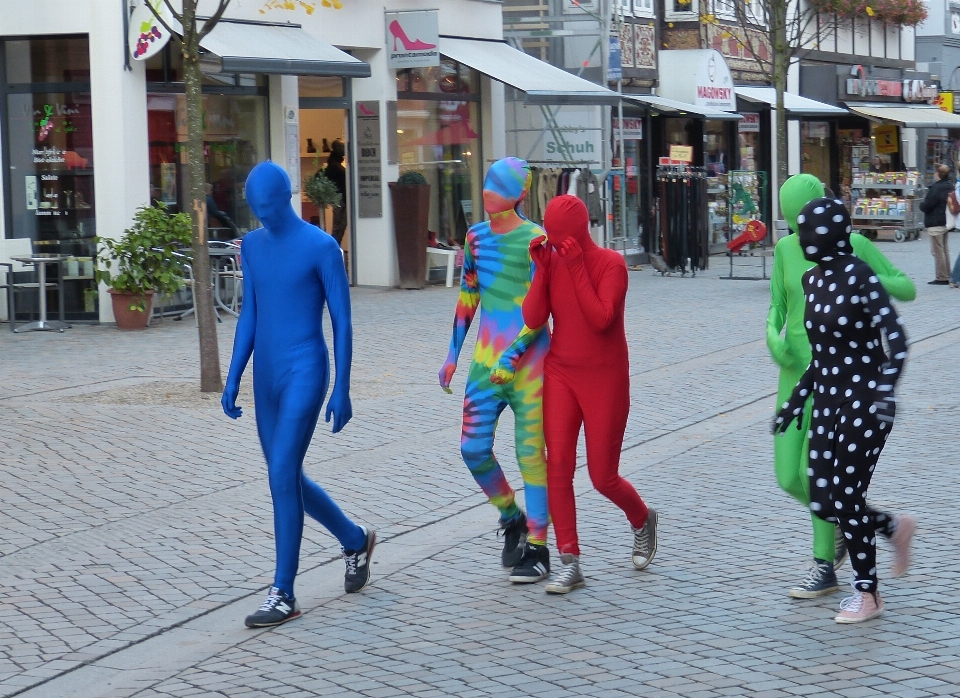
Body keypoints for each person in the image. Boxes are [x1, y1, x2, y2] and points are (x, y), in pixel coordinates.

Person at [221, 162, 375, 628]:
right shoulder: (251, 245)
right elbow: (250, 314)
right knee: (284, 476)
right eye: (255, 209)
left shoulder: (322, 247)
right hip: (266, 375)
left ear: (286, 198)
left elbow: (342, 322)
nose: (262, 216)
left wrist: (343, 386)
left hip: (306, 368)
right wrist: (233, 376)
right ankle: (354, 538)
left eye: (268, 207)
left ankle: (283, 591)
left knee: (282, 475)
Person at [495, 195, 656, 595]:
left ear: (577, 231)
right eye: (548, 234)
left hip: (605, 379)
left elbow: (601, 319)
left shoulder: (611, 264)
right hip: (561, 372)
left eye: (557, 235)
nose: (552, 240)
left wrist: (575, 265)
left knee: (603, 476)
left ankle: (641, 518)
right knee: (558, 467)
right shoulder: (552, 260)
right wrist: (541, 271)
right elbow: (533, 318)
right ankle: (571, 560)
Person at [768, 174, 915, 599]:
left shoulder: (857, 258)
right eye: (794, 225)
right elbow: (777, 306)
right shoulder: (792, 256)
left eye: (805, 225)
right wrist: (774, 340)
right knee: (802, 483)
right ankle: (884, 527)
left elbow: (904, 294)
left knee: (842, 492)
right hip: (809, 376)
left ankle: (843, 576)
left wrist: (862, 278)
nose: (799, 235)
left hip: (858, 390)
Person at [438, 157, 552, 583]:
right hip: (486, 363)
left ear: (520, 194)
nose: (488, 190)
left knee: (530, 455)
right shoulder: (475, 237)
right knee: (472, 448)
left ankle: (539, 548)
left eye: (499, 185)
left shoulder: (536, 239)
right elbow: (469, 295)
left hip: (530, 366)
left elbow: (543, 308)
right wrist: (452, 355)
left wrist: (515, 354)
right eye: (487, 182)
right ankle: (511, 517)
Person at [918, 163, 953, 285]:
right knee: (944, 249)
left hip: (935, 221)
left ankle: (942, 276)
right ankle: (947, 274)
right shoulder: (950, 186)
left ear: (938, 174)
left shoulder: (936, 188)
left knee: (937, 251)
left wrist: (921, 205)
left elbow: (927, 205)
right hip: (946, 220)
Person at [324, 139, 348, 246]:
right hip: (341, 201)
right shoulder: (335, 167)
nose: (345, 149)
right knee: (338, 229)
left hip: (340, 200)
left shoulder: (334, 165)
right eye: (342, 147)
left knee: (338, 230)